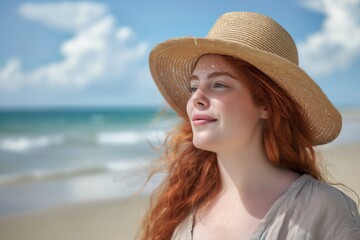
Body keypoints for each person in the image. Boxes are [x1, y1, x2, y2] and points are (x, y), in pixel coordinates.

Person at [139, 12, 360, 240]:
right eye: (193, 87)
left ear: (265, 104)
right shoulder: (185, 211)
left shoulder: (322, 210)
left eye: (219, 84)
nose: (197, 98)